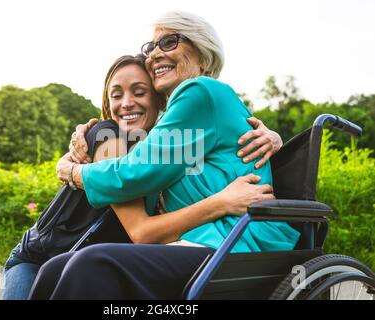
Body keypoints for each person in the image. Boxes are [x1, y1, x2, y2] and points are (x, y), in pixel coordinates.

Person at [28, 11, 300, 300]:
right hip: (198, 241)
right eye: (151, 47)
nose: (154, 54)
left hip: (236, 241)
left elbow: (133, 173)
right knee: (54, 269)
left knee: (92, 263)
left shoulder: (199, 90)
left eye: (168, 42)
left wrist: (71, 171)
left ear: (202, 53)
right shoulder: (178, 119)